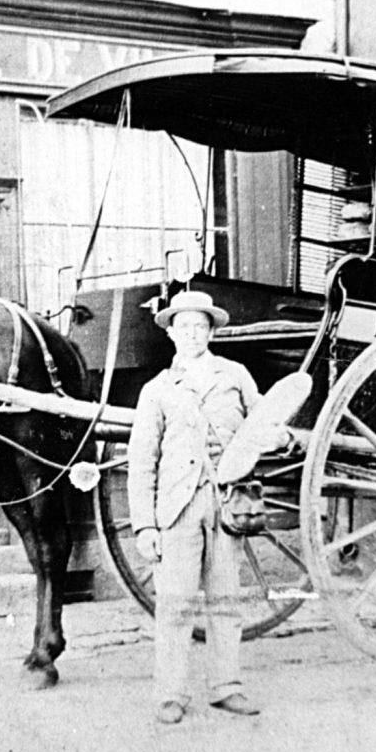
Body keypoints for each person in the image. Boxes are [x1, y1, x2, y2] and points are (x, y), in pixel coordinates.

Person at [127, 289, 263, 725]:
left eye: (199, 326)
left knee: (226, 601)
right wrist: (145, 526)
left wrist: (278, 435)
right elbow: (142, 460)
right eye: (183, 327)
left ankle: (226, 687)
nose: (192, 333)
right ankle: (171, 694)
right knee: (176, 604)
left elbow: (264, 423)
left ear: (211, 331)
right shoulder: (158, 390)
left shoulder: (236, 374)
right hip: (177, 510)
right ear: (171, 334)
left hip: (226, 506)